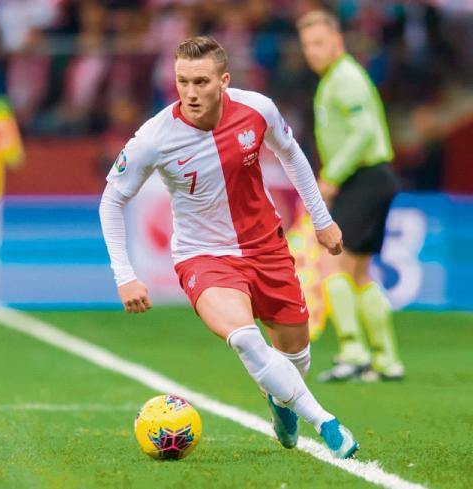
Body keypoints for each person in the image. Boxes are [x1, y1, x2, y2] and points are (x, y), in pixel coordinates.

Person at [99, 36, 358, 459]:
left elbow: (291, 154)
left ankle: (280, 399)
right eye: (182, 81)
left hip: (266, 248)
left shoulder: (258, 109)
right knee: (244, 339)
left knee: (296, 358)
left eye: (201, 82)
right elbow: (112, 201)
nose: (190, 92)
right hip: (203, 256)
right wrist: (124, 275)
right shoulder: (153, 137)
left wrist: (321, 219)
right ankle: (325, 422)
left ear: (223, 81)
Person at [297, 10, 404, 382]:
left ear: (338, 42)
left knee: (334, 266)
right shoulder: (338, 77)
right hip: (373, 179)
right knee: (358, 274)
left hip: (363, 179)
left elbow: (362, 132)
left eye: (319, 42)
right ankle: (386, 359)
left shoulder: (345, 78)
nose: (312, 51)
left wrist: (332, 176)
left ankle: (353, 353)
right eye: (307, 45)